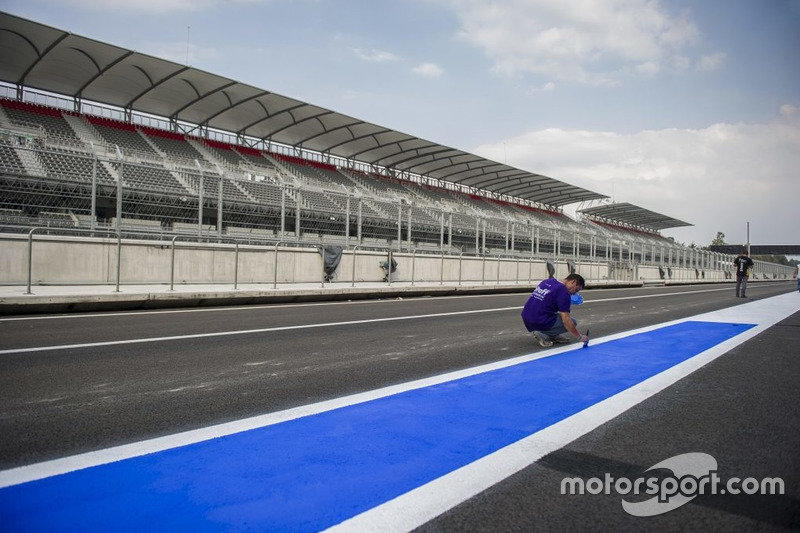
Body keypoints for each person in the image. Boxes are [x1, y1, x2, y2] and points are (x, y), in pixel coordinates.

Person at [521, 273, 588, 347]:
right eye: (576, 290)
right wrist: (580, 337)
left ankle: (553, 335)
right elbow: (566, 320)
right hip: (538, 320)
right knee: (573, 322)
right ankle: (543, 333)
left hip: (526, 316)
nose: (574, 293)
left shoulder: (548, 281)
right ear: (573, 282)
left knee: (554, 315)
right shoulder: (563, 291)